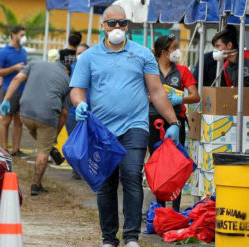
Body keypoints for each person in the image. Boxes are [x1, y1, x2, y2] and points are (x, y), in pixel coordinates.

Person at [70, 5, 180, 247]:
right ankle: (109, 238)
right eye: (112, 23)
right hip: (101, 130)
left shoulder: (142, 54)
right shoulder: (88, 57)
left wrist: (174, 121)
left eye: (121, 23)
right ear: (103, 26)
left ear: (127, 25)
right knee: (106, 183)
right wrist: (79, 104)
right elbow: (77, 90)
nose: (117, 28)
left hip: (135, 126)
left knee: (131, 176)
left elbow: (156, 90)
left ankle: (131, 237)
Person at [0, 60, 71, 196]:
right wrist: (55, 134)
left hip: (25, 113)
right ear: (67, 70)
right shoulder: (67, 80)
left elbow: (17, 78)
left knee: (42, 139)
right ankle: (36, 184)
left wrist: (6, 99)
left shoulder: (34, 64)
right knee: (43, 149)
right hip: (47, 115)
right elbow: (64, 113)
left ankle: (50, 148)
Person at [149, 34, 200, 211]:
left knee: (176, 164)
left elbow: (195, 96)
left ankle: (176, 210)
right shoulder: (150, 70)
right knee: (158, 164)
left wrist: (180, 98)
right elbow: (140, 94)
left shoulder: (182, 71)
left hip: (176, 123)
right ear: (164, 52)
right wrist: (155, 98)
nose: (178, 51)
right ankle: (160, 209)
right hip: (153, 121)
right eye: (174, 48)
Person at [0, 26, 28, 157]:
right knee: (6, 121)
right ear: (13, 35)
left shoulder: (23, 51)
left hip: (22, 90)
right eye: (21, 34)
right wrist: (13, 68)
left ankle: (16, 149)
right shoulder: (4, 52)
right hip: (9, 90)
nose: (23, 37)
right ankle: (3, 149)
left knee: (19, 121)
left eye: (24, 35)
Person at [65, 43, 90, 179]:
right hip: (74, 112)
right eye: (78, 53)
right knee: (75, 141)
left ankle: (87, 170)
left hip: (90, 112)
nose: (80, 56)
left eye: (83, 53)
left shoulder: (93, 67)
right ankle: (76, 170)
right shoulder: (73, 68)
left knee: (88, 142)